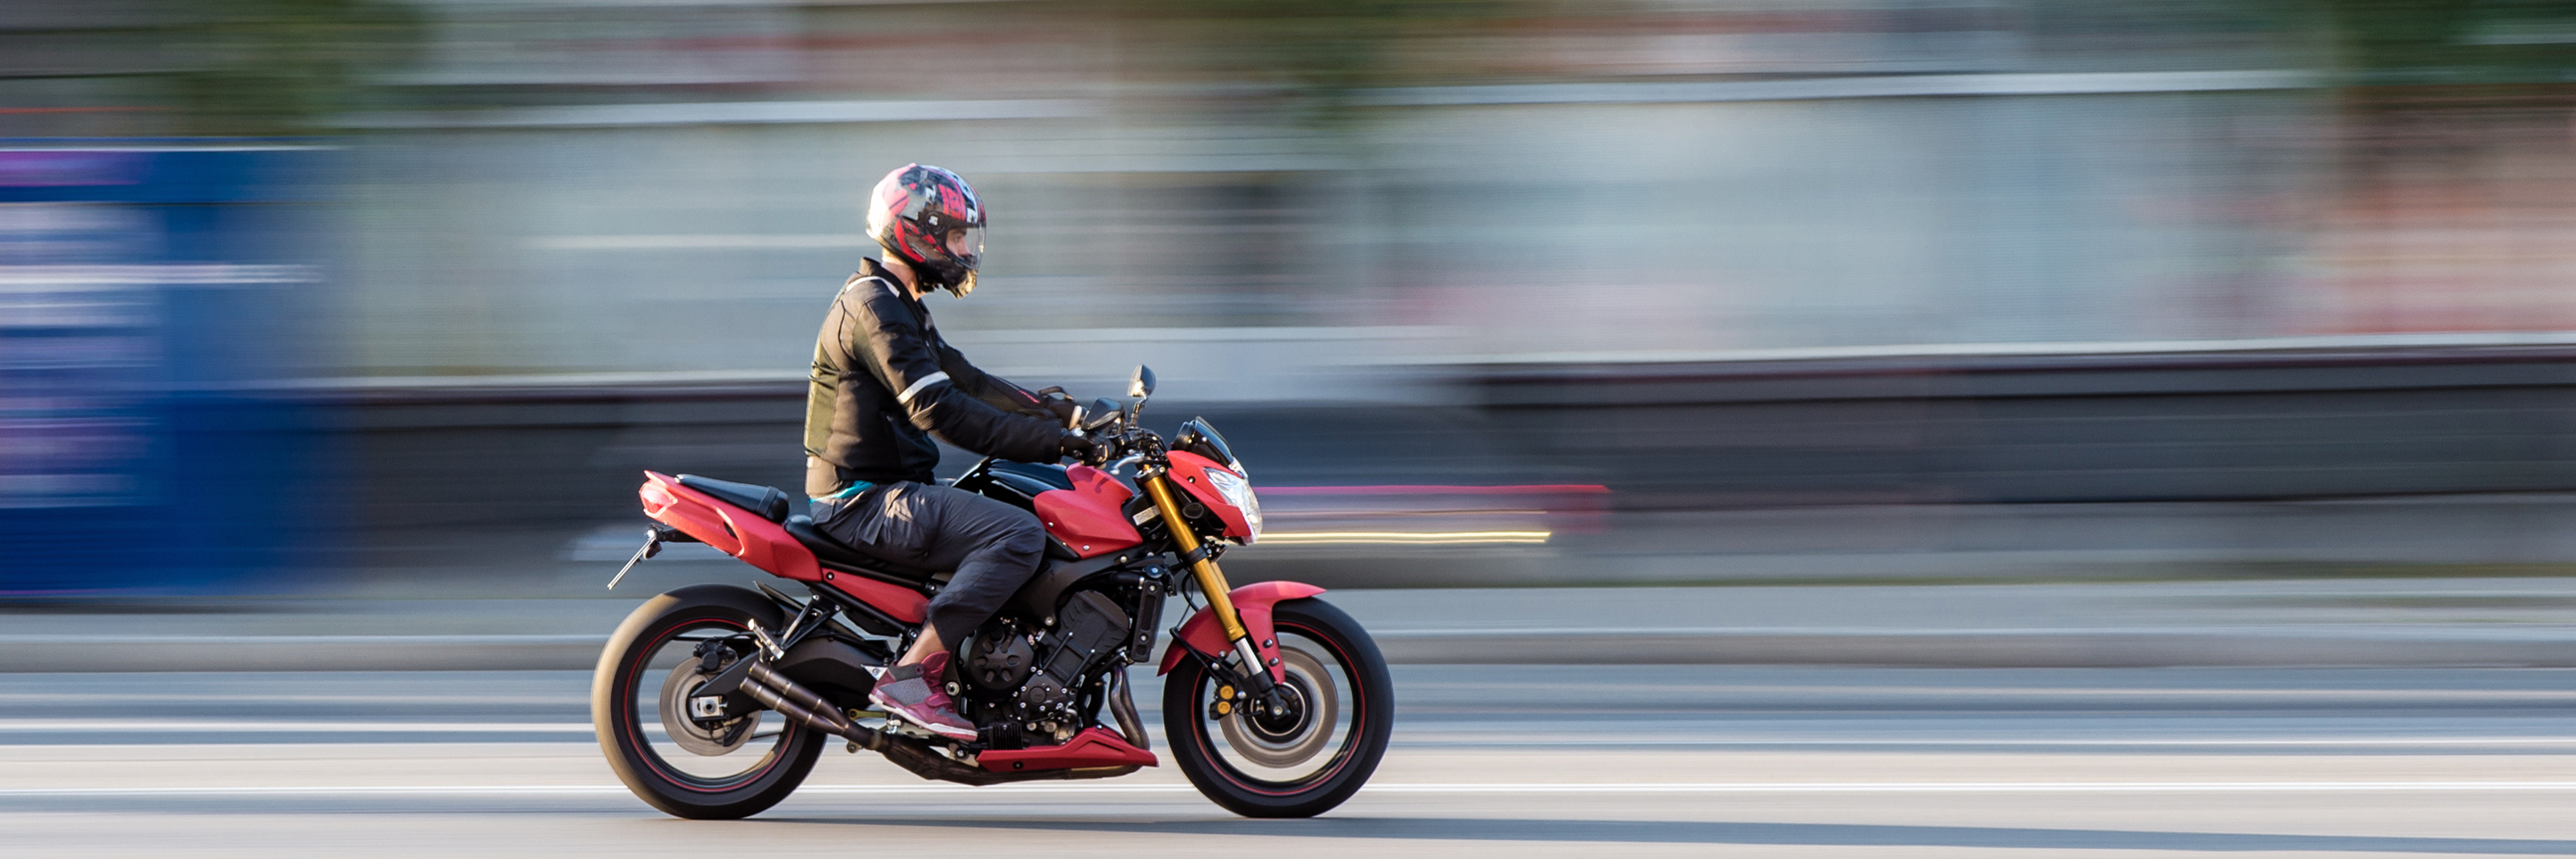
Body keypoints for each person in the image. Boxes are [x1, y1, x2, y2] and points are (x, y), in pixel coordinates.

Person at [804, 163, 1095, 740]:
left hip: (890, 491)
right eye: (957, 236)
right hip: (864, 501)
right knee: (1017, 534)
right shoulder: (875, 308)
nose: (965, 250)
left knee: (1016, 503)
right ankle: (911, 676)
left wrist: (1069, 416)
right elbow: (941, 410)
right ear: (918, 230)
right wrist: (1054, 443)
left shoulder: (901, 303)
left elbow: (967, 380)